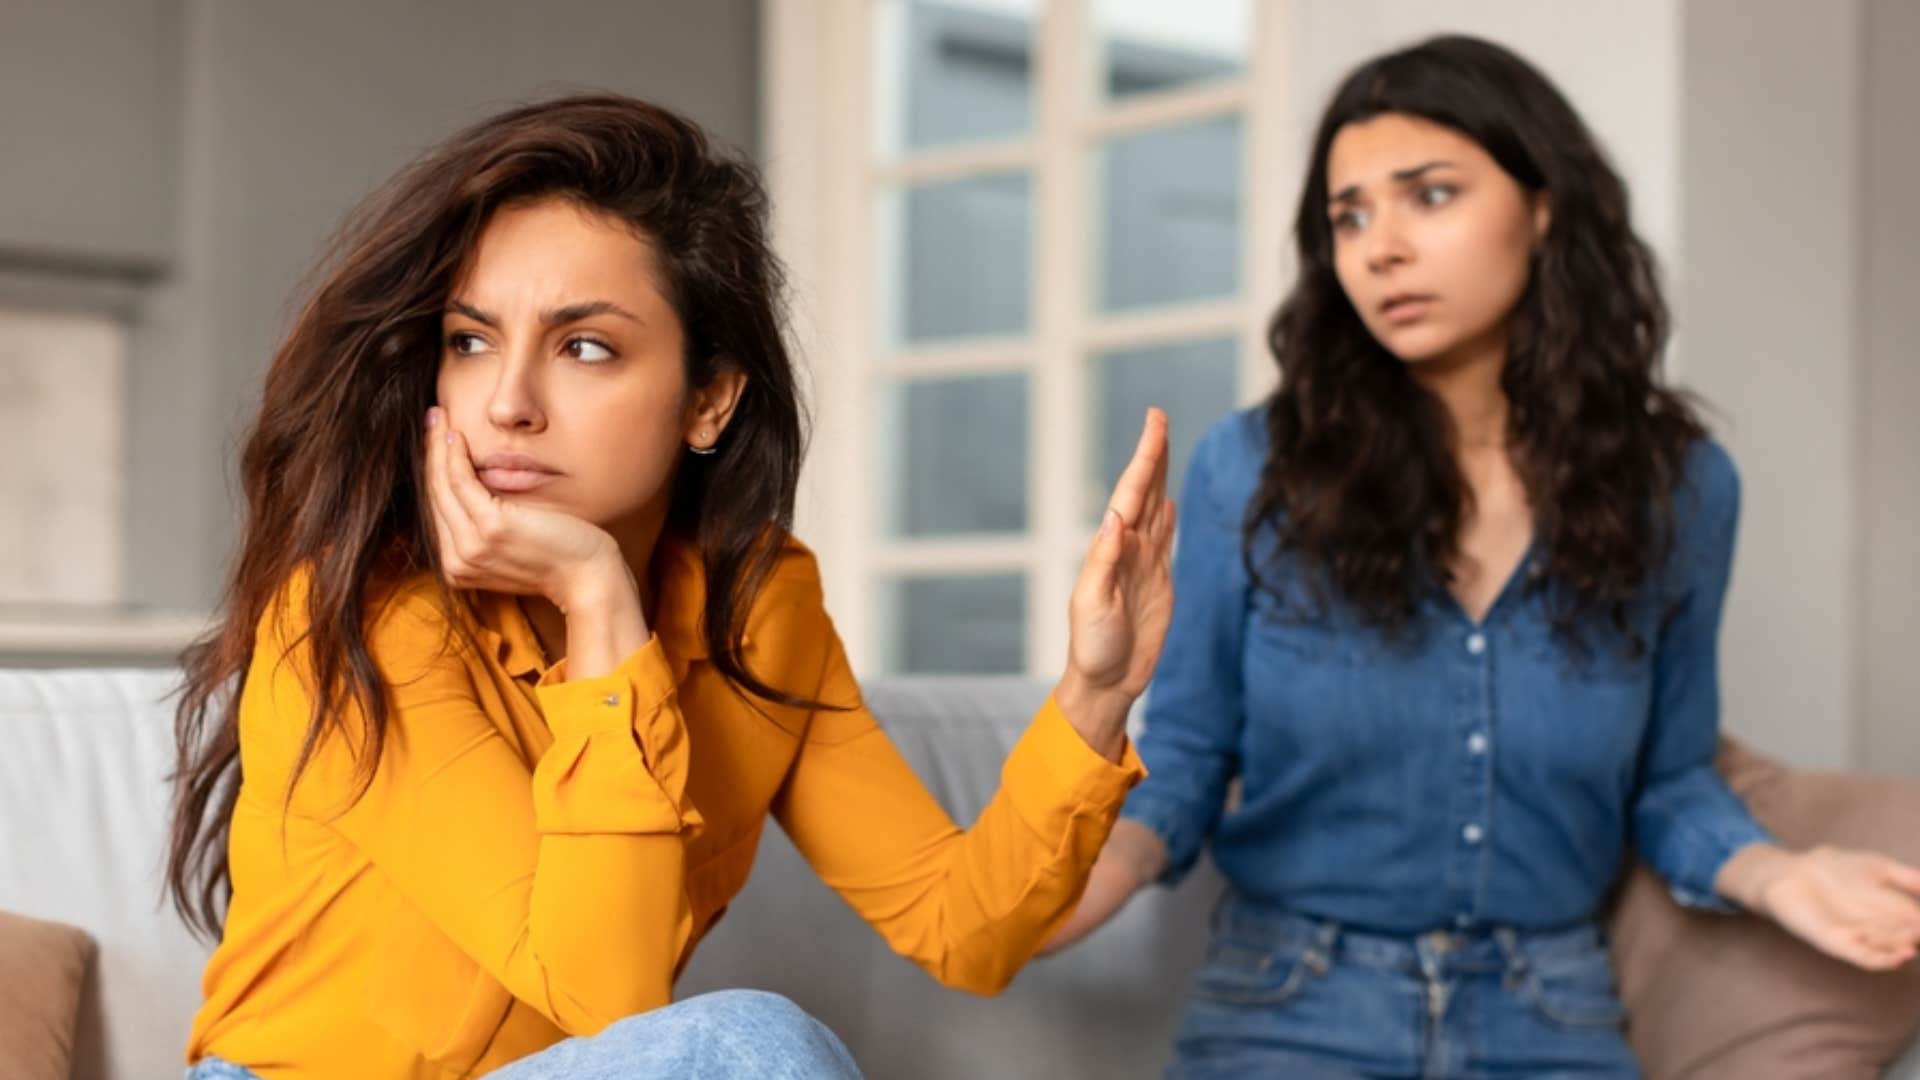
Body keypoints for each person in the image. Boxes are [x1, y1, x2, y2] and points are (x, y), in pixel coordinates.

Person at [166, 94, 1178, 1079]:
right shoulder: (357, 616)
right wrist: (600, 600)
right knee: (743, 1043)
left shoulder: (757, 606)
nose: (508, 403)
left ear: (708, 400)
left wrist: (1099, 690)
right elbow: (607, 1001)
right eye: (470, 342)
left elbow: (964, 928)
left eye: (585, 347)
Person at [1045, 34, 1920, 1079]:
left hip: (1553, 1015)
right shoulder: (1255, 466)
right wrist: (1055, 893)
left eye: (1431, 195)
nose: (1381, 248)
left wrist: (1780, 878)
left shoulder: (1681, 490)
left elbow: (1671, 777)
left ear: (1544, 207)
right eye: (1350, 216)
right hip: (1288, 1008)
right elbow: (1184, 762)